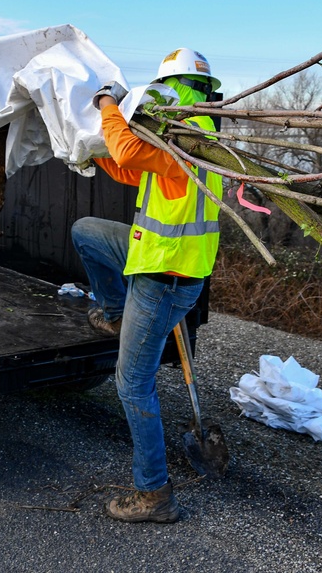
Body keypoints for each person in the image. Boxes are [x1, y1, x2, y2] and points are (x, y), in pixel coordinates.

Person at [70, 48, 223, 523]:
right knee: (87, 231)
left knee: (132, 384)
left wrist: (107, 103)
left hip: (165, 280)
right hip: (152, 259)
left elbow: (130, 150)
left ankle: (154, 495)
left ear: (171, 90)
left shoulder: (193, 136)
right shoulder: (183, 135)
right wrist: (92, 159)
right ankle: (114, 312)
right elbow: (133, 165)